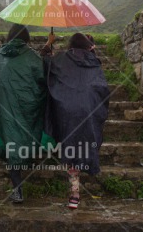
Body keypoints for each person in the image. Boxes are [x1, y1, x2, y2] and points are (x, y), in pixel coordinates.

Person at [41, 32, 110, 209]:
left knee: (71, 149)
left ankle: (74, 194)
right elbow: (101, 87)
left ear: (70, 44)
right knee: (83, 144)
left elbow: (46, 62)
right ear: (88, 46)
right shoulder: (94, 62)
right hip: (89, 109)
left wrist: (49, 43)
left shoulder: (62, 58)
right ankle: (76, 188)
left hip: (67, 110)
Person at [0, 24, 47, 203]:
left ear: (9, 36)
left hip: (4, 109)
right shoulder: (32, 56)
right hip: (27, 108)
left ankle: (17, 189)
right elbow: (43, 80)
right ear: (27, 38)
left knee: (10, 140)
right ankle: (27, 160)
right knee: (24, 136)